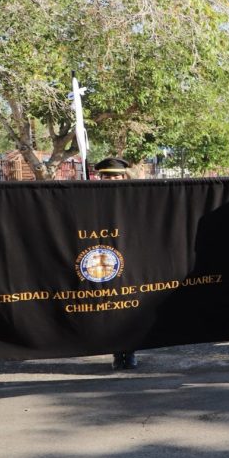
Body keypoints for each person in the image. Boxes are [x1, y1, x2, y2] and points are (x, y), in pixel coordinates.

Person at [94, 157, 139, 370]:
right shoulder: (91, 197)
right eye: (107, 176)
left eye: (116, 176)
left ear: (124, 177)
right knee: (109, 306)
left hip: (129, 253)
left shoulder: (134, 196)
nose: (112, 180)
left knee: (128, 305)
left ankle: (129, 351)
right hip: (103, 255)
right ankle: (115, 350)